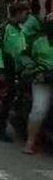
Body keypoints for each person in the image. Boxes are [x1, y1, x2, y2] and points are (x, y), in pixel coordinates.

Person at [0, 2, 30, 143]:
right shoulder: (4, 29)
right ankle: (0, 130)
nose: (27, 16)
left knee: (18, 99)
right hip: (7, 70)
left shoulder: (20, 29)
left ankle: (20, 127)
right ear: (18, 13)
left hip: (19, 70)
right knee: (6, 100)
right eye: (25, 13)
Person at [22, 13, 53, 155]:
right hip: (42, 79)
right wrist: (36, 71)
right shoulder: (37, 40)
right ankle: (30, 141)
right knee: (39, 109)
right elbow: (25, 56)